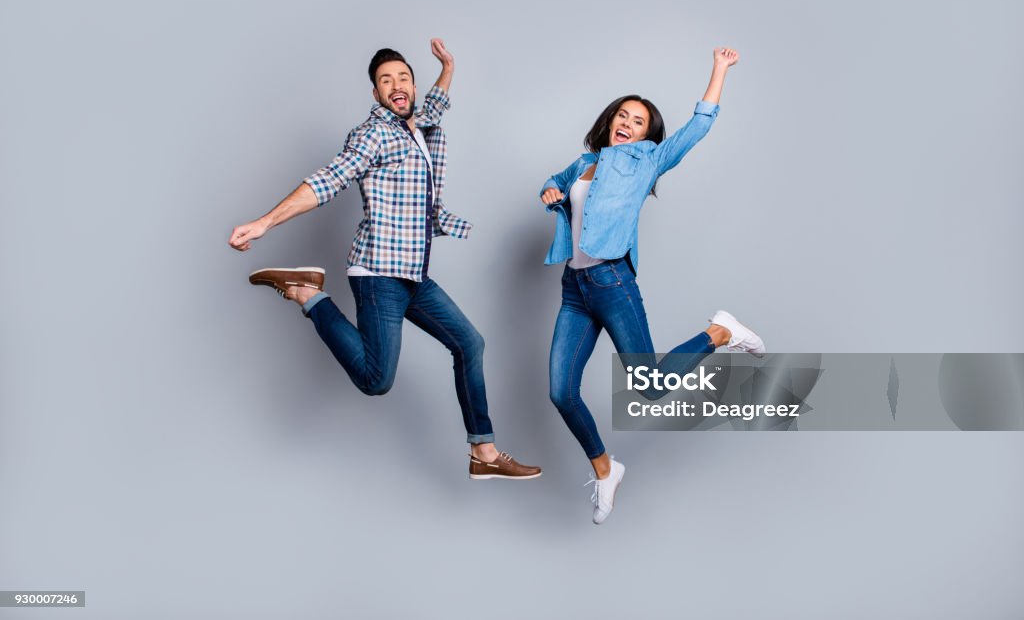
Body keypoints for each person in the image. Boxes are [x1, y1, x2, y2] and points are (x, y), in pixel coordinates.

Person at [229, 39, 540, 480]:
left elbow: (437, 103)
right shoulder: (374, 133)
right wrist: (264, 223)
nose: (397, 85)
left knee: (470, 343)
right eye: (385, 81)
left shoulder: (419, 122)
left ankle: (483, 453)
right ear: (375, 95)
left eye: (403, 78)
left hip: (412, 272)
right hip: (378, 273)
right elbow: (328, 180)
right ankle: (308, 294)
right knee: (377, 380)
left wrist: (448, 67)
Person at [538, 47, 764, 522]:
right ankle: (606, 470)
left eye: (638, 121)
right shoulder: (586, 162)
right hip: (575, 289)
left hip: (613, 282)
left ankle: (719, 332)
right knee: (561, 392)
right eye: (622, 115)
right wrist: (551, 192)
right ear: (609, 121)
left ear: (647, 134)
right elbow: (553, 183)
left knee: (652, 386)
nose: (627, 123)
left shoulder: (647, 161)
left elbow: (698, 127)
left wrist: (718, 70)